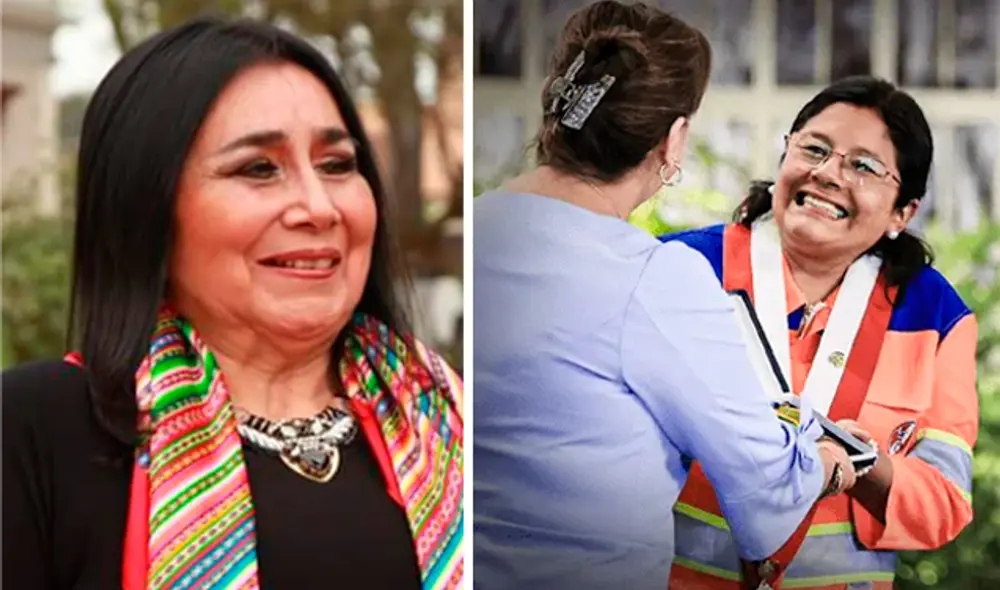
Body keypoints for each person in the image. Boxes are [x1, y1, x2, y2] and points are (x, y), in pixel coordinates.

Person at [2, 18, 463, 590]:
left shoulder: (453, 419)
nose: (318, 207)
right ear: (147, 210)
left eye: (338, 165)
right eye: (258, 169)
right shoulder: (36, 432)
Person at [473, 3, 860, 589]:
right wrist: (826, 465)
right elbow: (767, 500)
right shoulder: (651, 277)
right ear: (673, 139)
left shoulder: (474, 230)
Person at [661, 76, 979, 589]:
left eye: (863, 166)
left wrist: (867, 467)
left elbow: (943, 502)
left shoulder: (938, 316)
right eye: (815, 148)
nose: (829, 173)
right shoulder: (681, 268)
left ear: (903, 211)